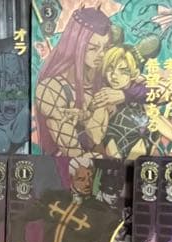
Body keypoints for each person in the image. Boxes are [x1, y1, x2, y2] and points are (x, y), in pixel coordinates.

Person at [34, 7, 115, 156]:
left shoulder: (108, 77)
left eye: (106, 48)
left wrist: (124, 95)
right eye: (93, 48)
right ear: (76, 45)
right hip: (66, 166)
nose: (101, 55)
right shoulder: (51, 89)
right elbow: (73, 152)